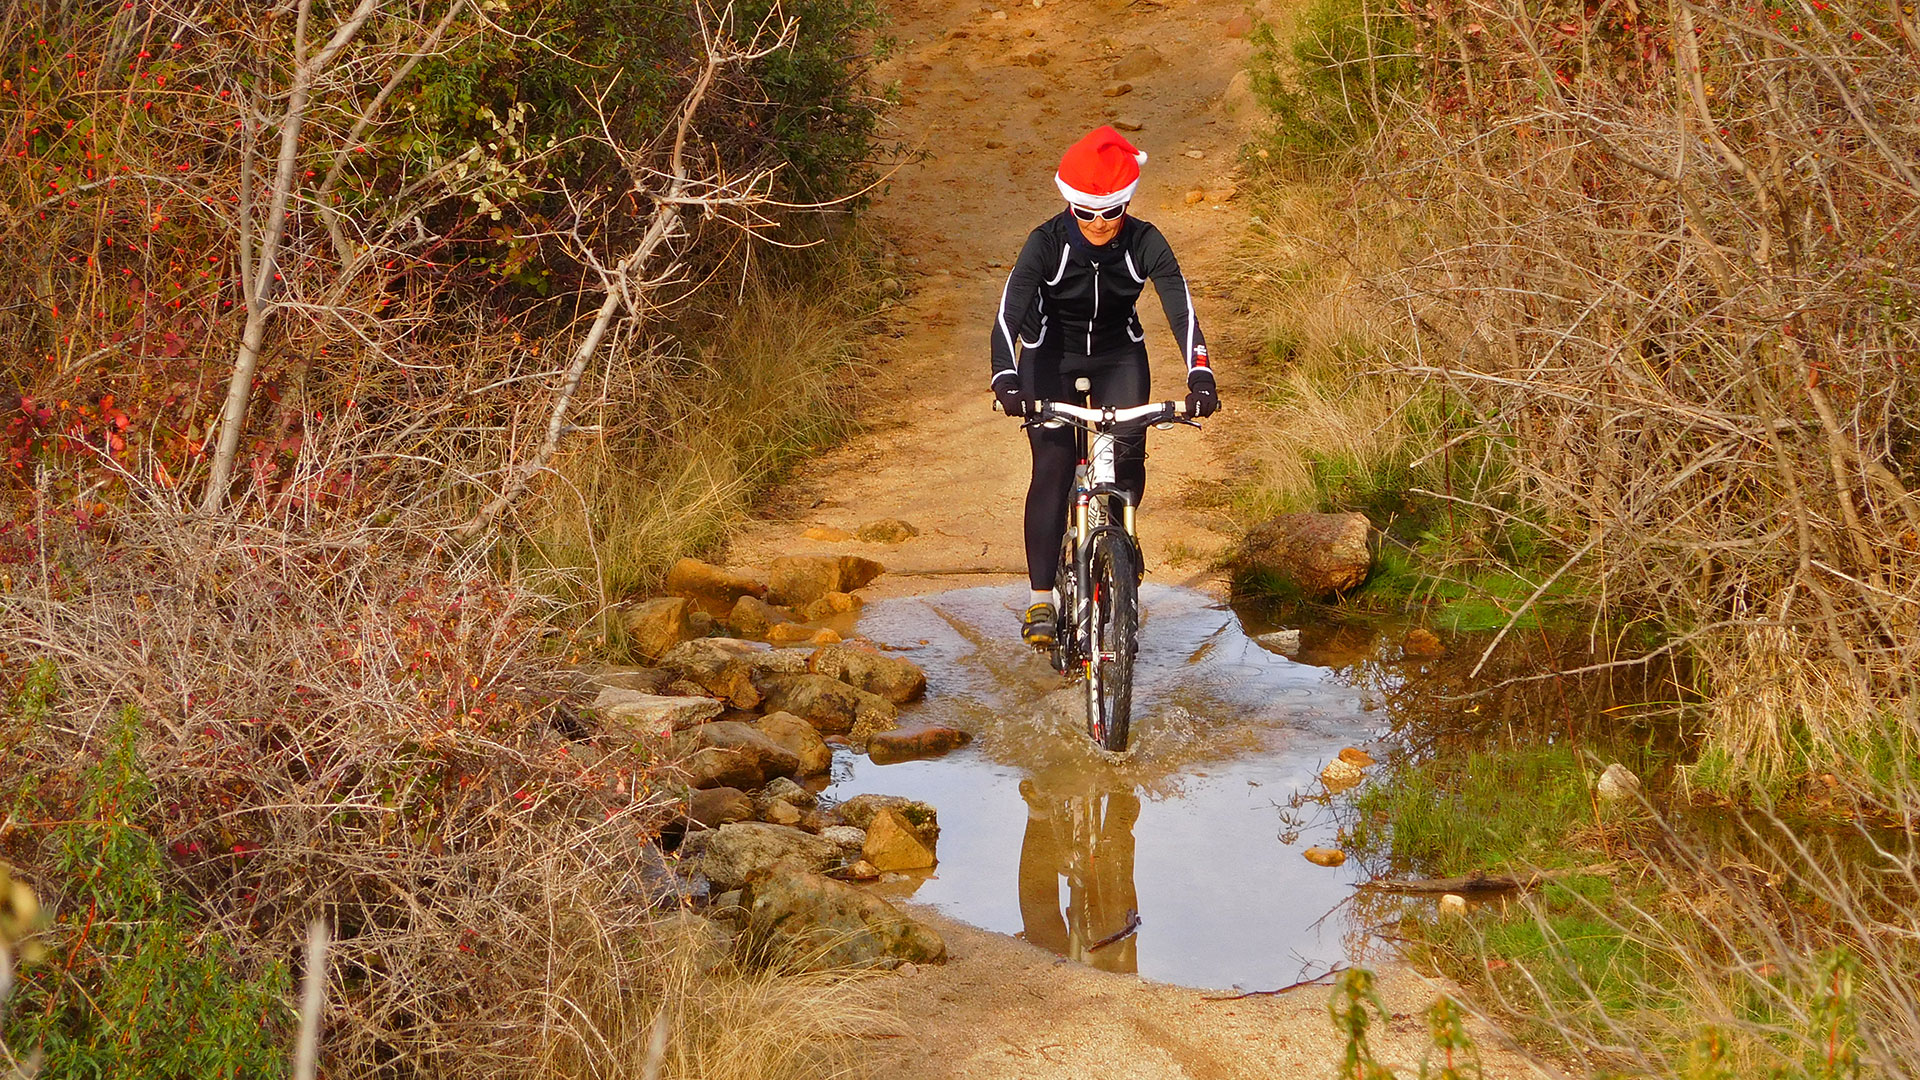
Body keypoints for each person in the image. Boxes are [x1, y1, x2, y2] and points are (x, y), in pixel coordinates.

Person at [988, 126, 1219, 647]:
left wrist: (1200, 372)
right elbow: (1008, 315)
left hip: (1120, 356)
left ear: (1126, 204)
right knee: (1050, 467)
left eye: (1110, 212)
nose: (1098, 224)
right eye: (1086, 212)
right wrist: (1005, 375)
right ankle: (1041, 600)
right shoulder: (1045, 243)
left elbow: (1180, 310)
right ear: (1070, 205)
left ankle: (1118, 563)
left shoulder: (1145, 241)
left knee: (1125, 462)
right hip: (1050, 357)